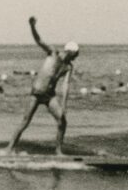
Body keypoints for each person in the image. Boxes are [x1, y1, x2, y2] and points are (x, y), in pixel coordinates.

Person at [6, 17, 80, 155]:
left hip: (49, 96)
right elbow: (39, 40)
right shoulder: (53, 53)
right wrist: (32, 26)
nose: (76, 57)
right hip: (36, 93)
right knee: (25, 121)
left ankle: (58, 151)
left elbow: (65, 85)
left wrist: (64, 106)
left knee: (62, 121)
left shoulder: (68, 67)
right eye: (75, 54)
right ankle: (9, 149)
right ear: (70, 52)